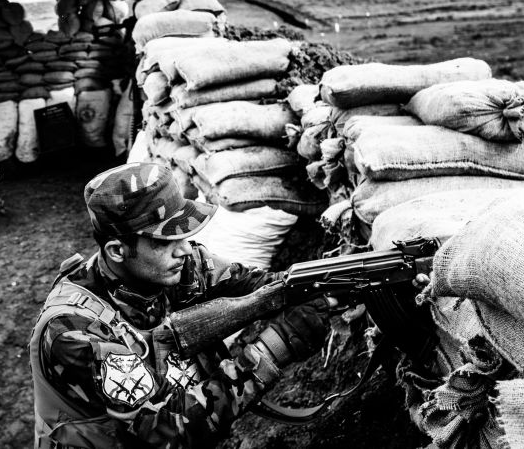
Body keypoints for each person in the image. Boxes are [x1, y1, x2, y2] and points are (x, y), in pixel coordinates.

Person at [29, 162, 330, 448]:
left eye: (183, 233)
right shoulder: (75, 330)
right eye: (164, 240)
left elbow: (260, 284)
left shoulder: (180, 265)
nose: (185, 249)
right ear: (117, 251)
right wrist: (272, 348)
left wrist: (321, 288)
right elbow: (167, 432)